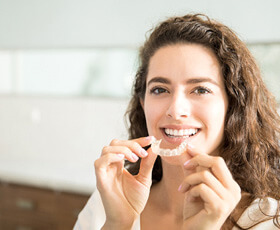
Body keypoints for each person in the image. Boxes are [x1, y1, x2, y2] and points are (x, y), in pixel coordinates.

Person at [74, 13, 280, 229]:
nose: (175, 110)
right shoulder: (106, 205)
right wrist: (118, 223)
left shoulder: (268, 221)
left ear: (233, 105)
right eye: (160, 89)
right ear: (143, 103)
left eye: (200, 89)